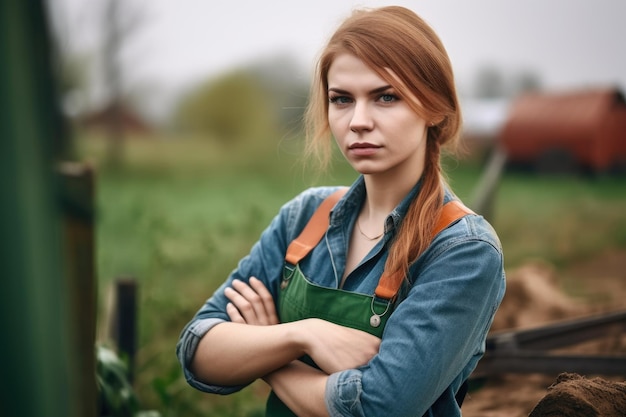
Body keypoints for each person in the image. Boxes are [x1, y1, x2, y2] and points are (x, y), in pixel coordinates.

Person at [176, 5, 506, 417]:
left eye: (386, 97)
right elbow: (197, 348)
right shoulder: (305, 217)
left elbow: (380, 406)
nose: (358, 121)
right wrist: (302, 335)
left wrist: (267, 350)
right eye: (342, 99)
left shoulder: (463, 251)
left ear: (436, 107)